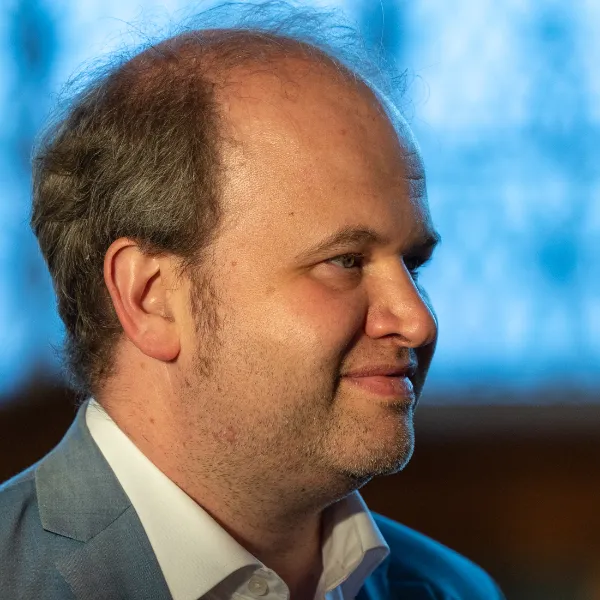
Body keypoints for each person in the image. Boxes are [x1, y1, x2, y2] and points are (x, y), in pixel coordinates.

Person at [0, 4, 505, 599]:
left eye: (413, 265)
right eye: (344, 261)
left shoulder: (456, 589)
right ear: (151, 297)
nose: (417, 321)